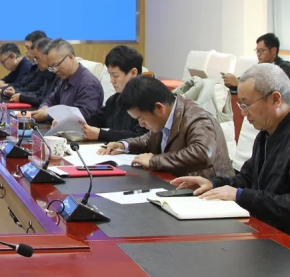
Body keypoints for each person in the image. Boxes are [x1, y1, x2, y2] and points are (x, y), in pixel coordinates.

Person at [171, 64, 290, 234]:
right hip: (262, 229)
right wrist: (213, 183)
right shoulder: (265, 134)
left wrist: (240, 195)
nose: (243, 113)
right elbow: (248, 179)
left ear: (276, 99)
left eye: (247, 104)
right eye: (241, 105)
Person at [99, 76, 233, 177]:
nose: (141, 124)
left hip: (209, 190)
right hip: (176, 182)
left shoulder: (198, 119)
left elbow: (202, 154)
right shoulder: (165, 116)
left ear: (159, 108)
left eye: (141, 118)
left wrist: (154, 161)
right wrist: (124, 145)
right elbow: (149, 139)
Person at [81, 46, 147, 141]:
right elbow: (94, 120)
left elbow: (142, 137)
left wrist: (101, 134)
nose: (112, 80)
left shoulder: (147, 101)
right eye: (110, 75)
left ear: (133, 73)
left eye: (115, 75)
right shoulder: (114, 100)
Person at [31, 39, 103, 122]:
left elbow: (84, 116)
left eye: (56, 65)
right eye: (51, 67)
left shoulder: (89, 83)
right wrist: (45, 107)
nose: (55, 71)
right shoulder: (65, 78)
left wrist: (49, 114)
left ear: (70, 57)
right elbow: (50, 99)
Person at [223, 33, 290, 89]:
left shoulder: (284, 68)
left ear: (273, 50)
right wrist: (231, 82)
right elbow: (244, 79)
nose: (258, 54)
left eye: (261, 51)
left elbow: (270, 89)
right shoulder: (258, 67)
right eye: (257, 51)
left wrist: (239, 84)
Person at [7, 38, 58, 107]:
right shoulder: (48, 72)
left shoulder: (59, 74)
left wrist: (22, 97)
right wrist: (19, 95)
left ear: (48, 55)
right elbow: (39, 93)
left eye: (37, 58)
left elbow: (46, 100)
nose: (36, 62)